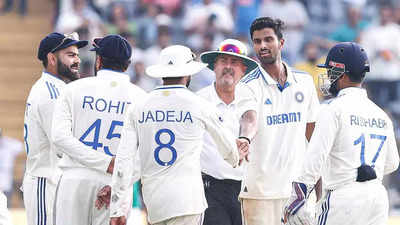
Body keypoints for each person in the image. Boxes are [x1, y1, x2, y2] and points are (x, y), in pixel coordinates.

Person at [108, 45, 249, 225]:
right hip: (188, 200)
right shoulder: (200, 104)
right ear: (188, 74)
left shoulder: (138, 107)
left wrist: (118, 206)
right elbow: (229, 150)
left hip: (155, 201)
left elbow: (125, 160)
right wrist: (236, 156)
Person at [282, 42, 400, 225]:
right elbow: (392, 163)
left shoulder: (332, 109)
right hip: (377, 197)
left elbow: (314, 161)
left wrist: (297, 197)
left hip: (343, 196)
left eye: (330, 71)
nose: (328, 77)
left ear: (342, 74)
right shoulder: (381, 115)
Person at [51, 34, 146, 225]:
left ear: (99, 60)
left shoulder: (73, 89)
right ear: (127, 65)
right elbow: (145, 155)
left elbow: (59, 137)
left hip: (74, 180)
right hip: (115, 182)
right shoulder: (142, 98)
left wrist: (104, 163)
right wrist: (120, 180)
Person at [235, 17, 320, 225]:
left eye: (268, 39)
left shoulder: (305, 82)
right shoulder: (247, 85)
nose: (262, 46)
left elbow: (314, 137)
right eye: (256, 41)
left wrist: (319, 185)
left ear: (281, 43)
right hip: (260, 192)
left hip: (298, 191)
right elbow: (249, 117)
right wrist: (245, 137)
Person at [22, 32, 88, 225]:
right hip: (46, 180)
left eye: (77, 54)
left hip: (53, 180)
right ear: (51, 58)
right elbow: (61, 146)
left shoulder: (57, 89)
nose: (77, 60)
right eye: (70, 55)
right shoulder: (52, 93)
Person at [197, 39, 258, 225]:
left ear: (243, 70)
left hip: (246, 190)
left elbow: (252, 121)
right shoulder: (199, 101)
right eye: (223, 61)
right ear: (214, 66)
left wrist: (245, 139)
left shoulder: (252, 98)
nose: (228, 67)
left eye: (235, 63)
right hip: (210, 189)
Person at [0, 128, 23, 207]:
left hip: (6, 183)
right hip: (5, 182)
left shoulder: (8, 144)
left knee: (6, 209)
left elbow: (21, 147)